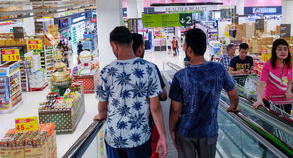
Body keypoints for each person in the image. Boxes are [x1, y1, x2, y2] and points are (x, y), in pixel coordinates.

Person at [94, 26, 168, 158]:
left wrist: (101, 114)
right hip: (139, 138)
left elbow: (102, 108)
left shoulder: (106, 72)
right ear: (132, 42)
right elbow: (155, 107)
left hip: (114, 138)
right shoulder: (149, 69)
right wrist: (162, 136)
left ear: (114, 46)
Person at [169, 28, 240, 158]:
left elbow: (175, 109)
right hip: (209, 131)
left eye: (184, 45)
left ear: (189, 50)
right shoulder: (218, 69)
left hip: (185, 132)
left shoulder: (180, 76)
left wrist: (172, 129)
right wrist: (233, 107)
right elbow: (234, 95)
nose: (183, 47)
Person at [132, 33, 167, 158]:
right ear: (140, 48)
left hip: (126, 132)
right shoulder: (151, 68)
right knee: (152, 152)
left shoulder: (114, 70)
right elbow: (163, 95)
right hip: (150, 124)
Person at [253, 39, 293, 114]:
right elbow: (262, 84)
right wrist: (259, 99)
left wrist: (288, 91)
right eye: (279, 49)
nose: (283, 51)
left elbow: (289, 81)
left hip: (286, 101)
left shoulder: (289, 64)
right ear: (274, 51)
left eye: (285, 49)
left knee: (286, 124)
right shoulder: (268, 65)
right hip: (270, 101)